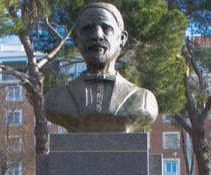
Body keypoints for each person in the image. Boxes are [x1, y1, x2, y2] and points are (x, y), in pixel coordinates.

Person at [43, 2, 159, 133]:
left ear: (122, 39)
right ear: (75, 39)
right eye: (87, 29)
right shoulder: (55, 99)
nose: (97, 35)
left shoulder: (142, 99)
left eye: (106, 29)